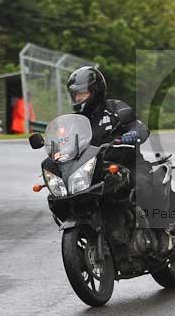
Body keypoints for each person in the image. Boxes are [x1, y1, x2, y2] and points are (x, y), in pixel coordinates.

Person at [66, 66, 168, 225]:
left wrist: (133, 134)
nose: (78, 98)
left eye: (82, 93)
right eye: (75, 94)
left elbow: (139, 126)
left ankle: (161, 229)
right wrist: (57, 151)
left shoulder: (115, 108)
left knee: (141, 187)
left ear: (96, 90)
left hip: (128, 164)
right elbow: (65, 141)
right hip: (94, 171)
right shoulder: (75, 121)